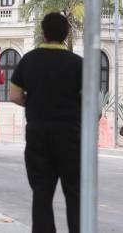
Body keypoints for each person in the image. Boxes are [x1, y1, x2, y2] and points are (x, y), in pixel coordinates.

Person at [10, 12, 82, 233]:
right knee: (74, 193)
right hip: (70, 134)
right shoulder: (78, 63)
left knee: (41, 193)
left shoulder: (29, 60)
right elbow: (89, 101)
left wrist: (35, 104)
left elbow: (14, 95)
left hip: (38, 133)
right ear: (66, 34)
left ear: (44, 33)